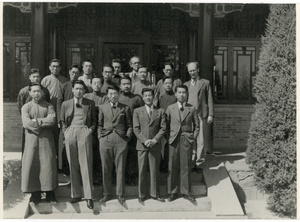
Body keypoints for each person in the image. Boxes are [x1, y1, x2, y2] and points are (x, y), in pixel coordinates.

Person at [60, 80, 96, 209]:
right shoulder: (66, 104)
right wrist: (66, 133)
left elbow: (94, 121)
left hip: (84, 133)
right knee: (73, 164)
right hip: (71, 133)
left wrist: (89, 131)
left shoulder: (90, 103)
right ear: (73, 90)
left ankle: (89, 196)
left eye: (81, 89)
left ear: (84, 91)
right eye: (77, 88)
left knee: (86, 164)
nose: (79, 91)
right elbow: (62, 121)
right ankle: (76, 194)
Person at [21, 82, 57, 205]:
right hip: (32, 141)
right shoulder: (26, 107)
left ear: (42, 93)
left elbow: (52, 120)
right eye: (34, 91)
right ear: (30, 93)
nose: (36, 93)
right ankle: (35, 194)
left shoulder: (49, 106)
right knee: (33, 165)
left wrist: (36, 121)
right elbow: (26, 123)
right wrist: (42, 124)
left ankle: (50, 194)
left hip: (46, 140)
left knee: (48, 165)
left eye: (38, 91)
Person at [98, 85, 133, 204]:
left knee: (120, 168)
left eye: (115, 94)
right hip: (105, 139)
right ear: (107, 95)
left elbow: (129, 125)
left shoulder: (125, 108)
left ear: (119, 94)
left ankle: (120, 194)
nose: (113, 96)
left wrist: (127, 138)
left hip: (120, 140)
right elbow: (99, 124)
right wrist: (100, 137)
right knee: (106, 168)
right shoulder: (102, 107)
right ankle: (106, 193)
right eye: (110, 94)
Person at [165, 85, 200, 202]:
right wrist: (169, 138)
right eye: (179, 92)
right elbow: (165, 126)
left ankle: (186, 191)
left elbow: (197, 126)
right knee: (172, 166)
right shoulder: (170, 108)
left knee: (186, 166)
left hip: (186, 140)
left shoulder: (192, 108)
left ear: (187, 94)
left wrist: (192, 138)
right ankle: (172, 192)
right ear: (175, 94)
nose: (181, 95)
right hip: (173, 140)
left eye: (184, 92)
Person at [133, 88, 166, 203]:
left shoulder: (160, 111)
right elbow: (136, 129)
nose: (148, 97)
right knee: (142, 170)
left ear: (154, 97)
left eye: (150, 95)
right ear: (142, 97)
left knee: (154, 170)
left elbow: (163, 128)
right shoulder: (137, 111)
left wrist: (155, 140)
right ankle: (141, 194)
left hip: (155, 145)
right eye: (146, 95)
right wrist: (145, 140)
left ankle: (154, 193)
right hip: (142, 145)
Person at [184, 62, 213, 170]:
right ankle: (191, 161)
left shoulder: (205, 83)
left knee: (200, 139)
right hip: (188, 116)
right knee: (191, 138)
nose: (192, 72)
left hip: (201, 115)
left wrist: (210, 114)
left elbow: (209, 99)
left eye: (194, 70)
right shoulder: (186, 85)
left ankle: (199, 162)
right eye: (190, 71)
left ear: (198, 70)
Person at [17, 68, 51, 156]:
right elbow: (21, 108)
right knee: (28, 146)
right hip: (29, 123)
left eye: (38, 77)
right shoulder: (23, 92)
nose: (36, 79)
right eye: (34, 77)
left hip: (42, 123)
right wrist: (29, 121)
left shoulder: (45, 91)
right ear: (29, 77)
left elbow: (48, 107)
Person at [83, 75, 109, 184]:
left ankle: (100, 177)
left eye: (99, 83)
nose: (97, 85)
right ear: (90, 84)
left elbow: (106, 110)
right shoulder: (86, 96)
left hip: (102, 127)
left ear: (102, 85)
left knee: (100, 153)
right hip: (89, 127)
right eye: (94, 83)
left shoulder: (106, 97)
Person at [118, 76, 144, 185]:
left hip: (134, 130)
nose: (126, 86)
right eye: (124, 84)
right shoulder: (117, 98)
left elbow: (142, 113)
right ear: (120, 85)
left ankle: (132, 177)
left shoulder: (137, 98)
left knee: (132, 154)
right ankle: (121, 177)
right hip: (121, 131)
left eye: (128, 84)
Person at [56, 64, 81, 175]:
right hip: (66, 120)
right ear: (69, 72)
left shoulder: (81, 86)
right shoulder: (64, 86)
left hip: (78, 119)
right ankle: (65, 169)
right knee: (66, 144)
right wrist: (59, 119)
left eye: (76, 73)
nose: (74, 75)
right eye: (72, 72)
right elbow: (59, 103)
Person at [41, 59, 68, 156]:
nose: (55, 68)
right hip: (49, 107)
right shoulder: (45, 79)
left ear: (60, 68)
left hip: (60, 108)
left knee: (59, 131)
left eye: (57, 66)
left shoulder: (64, 80)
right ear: (49, 68)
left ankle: (59, 156)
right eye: (53, 66)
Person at [157, 76, 177, 173]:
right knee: (161, 144)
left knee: (169, 144)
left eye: (170, 83)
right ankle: (161, 165)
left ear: (173, 85)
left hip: (172, 123)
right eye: (166, 83)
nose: (168, 85)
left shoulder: (175, 97)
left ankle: (169, 165)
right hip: (161, 123)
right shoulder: (160, 96)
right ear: (163, 85)